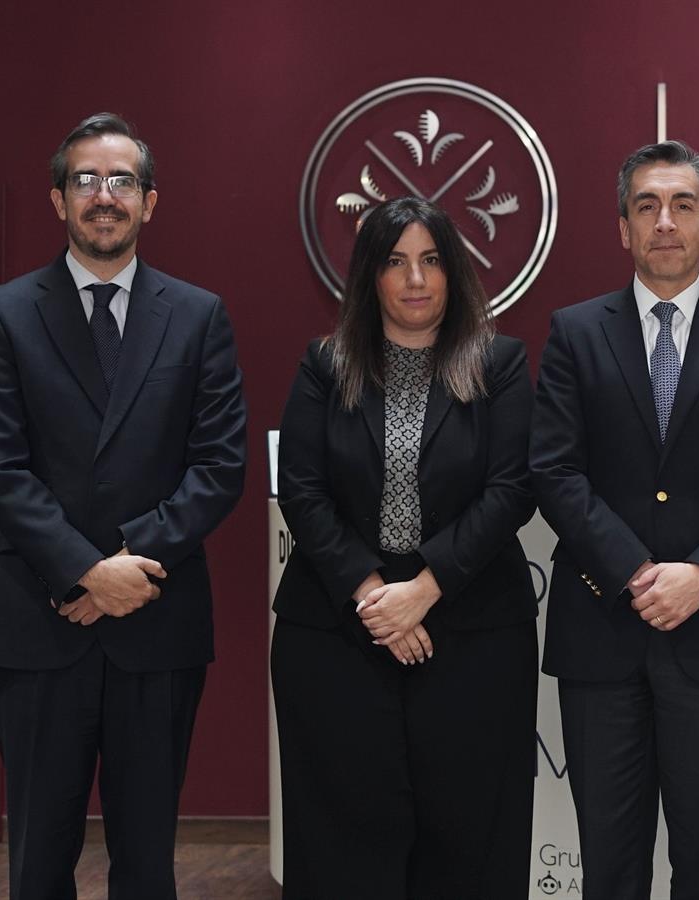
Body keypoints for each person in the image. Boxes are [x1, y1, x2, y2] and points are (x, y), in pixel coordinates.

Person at [0, 112, 247, 899]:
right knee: (39, 862)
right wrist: (87, 572)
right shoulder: (3, 313)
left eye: (122, 180)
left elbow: (220, 466)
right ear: (59, 200)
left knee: (148, 862)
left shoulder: (198, 316)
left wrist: (126, 569)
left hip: (157, 625)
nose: (104, 195)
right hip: (38, 624)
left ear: (149, 202)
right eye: (85, 179)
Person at [531, 140, 699, 899]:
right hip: (601, 632)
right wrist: (636, 572)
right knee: (609, 866)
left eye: (684, 206)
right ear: (623, 228)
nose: (665, 222)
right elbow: (555, 470)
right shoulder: (575, 331)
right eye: (646, 206)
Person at [271, 196, 538, 898]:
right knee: (343, 840)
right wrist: (372, 594)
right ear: (370, 275)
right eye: (395, 262)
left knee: (469, 833)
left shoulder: (500, 363)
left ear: (453, 272)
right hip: (336, 632)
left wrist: (423, 589)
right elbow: (301, 489)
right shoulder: (325, 364)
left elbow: (512, 489)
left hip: (472, 628)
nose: (415, 279)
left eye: (431, 260)